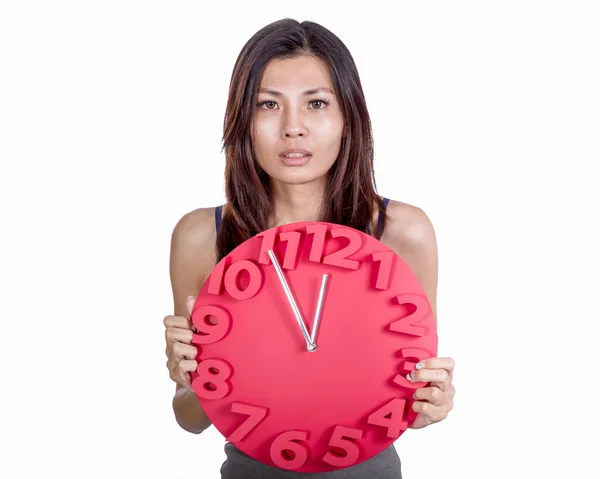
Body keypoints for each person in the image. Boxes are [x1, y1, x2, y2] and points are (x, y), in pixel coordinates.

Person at [163, 18, 456, 479]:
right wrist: (193, 380)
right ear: (243, 119)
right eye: (267, 105)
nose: (292, 128)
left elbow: (410, 395)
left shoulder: (403, 232)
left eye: (316, 103)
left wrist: (429, 404)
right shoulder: (202, 236)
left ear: (347, 118)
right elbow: (189, 418)